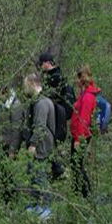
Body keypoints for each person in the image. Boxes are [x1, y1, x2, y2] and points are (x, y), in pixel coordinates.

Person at [20, 74, 56, 218]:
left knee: (40, 176)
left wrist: (33, 144)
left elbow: (40, 127)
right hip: (37, 145)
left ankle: (47, 208)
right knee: (32, 174)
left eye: (26, 85)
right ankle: (35, 204)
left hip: (41, 146)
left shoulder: (42, 103)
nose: (24, 89)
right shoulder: (35, 102)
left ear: (33, 84)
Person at [38, 51, 75, 179]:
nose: (40, 66)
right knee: (51, 142)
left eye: (41, 64)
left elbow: (48, 97)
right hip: (59, 116)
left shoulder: (54, 78)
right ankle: (56, 170)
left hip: (56, 116)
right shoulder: (59, 76)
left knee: (50, 142)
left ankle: (58, 169)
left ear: (47, 63)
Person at [69, 65, 100, 199]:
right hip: (79, 134)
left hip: (81, 136)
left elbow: (84, 119)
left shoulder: (87, 97)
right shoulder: (84, 94)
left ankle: (85, 193)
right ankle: (77, 190)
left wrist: (78, 139)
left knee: (77, 164)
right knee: (75, 163)